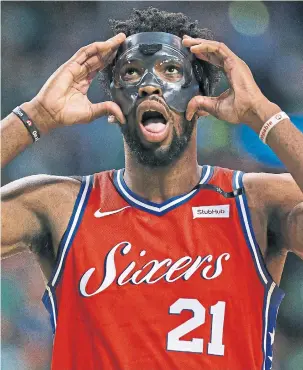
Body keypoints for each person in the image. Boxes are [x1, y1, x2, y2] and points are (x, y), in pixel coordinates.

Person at [1, 7, 302, 370]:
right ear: (113, 104)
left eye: (171, 70)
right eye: (130, 72)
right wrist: (34, 117)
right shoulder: (62, 206)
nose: (148, 84)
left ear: (202, 100)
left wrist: (264, 116)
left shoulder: (254, 202)